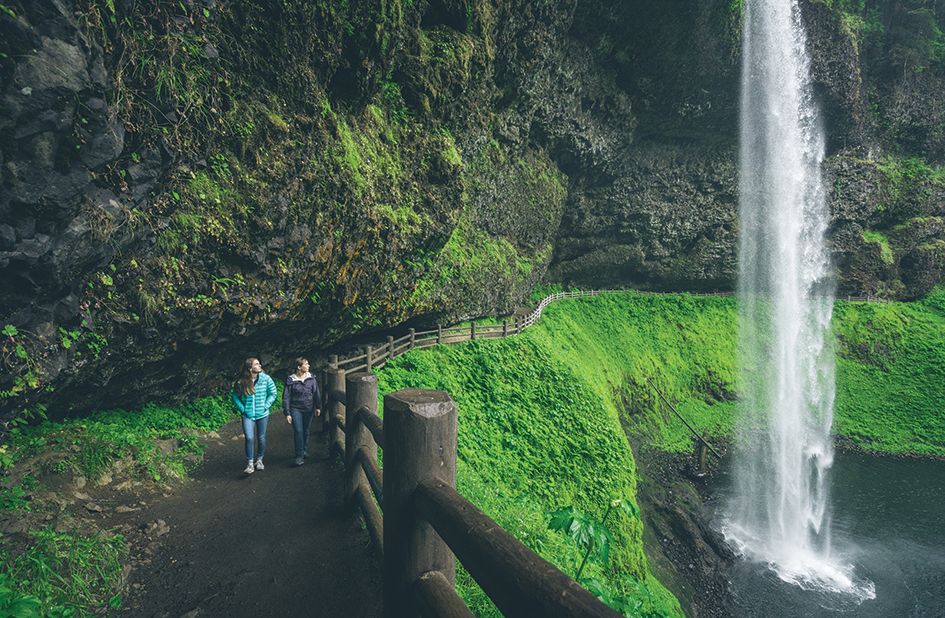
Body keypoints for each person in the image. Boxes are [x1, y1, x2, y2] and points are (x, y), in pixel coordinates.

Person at [231, 357, 277, 475]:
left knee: (261, 437)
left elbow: (273, 393)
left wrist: (266, 406)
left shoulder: (266, 379)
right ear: (250, 368)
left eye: (259, 363)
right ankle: (250, 463)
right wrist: (243, 409)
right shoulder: (242, 382)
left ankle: (260, 460)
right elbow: (235, 397)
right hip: (248, 415)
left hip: (262, 414)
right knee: (249, 438)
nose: (260, 365)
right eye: (257, 364)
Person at [283, 357, 321, 466]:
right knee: (298, 431)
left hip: (308, 408)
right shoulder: (291, 380)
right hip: (295, 409)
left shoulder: (311, 378)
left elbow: (316, 393)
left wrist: (318, 407)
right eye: (306, 364)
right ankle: (299, 456)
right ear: (299, 367)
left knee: (306, 430)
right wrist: (287, 413)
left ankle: (304, 450)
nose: (308, 366)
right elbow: (286, 397)